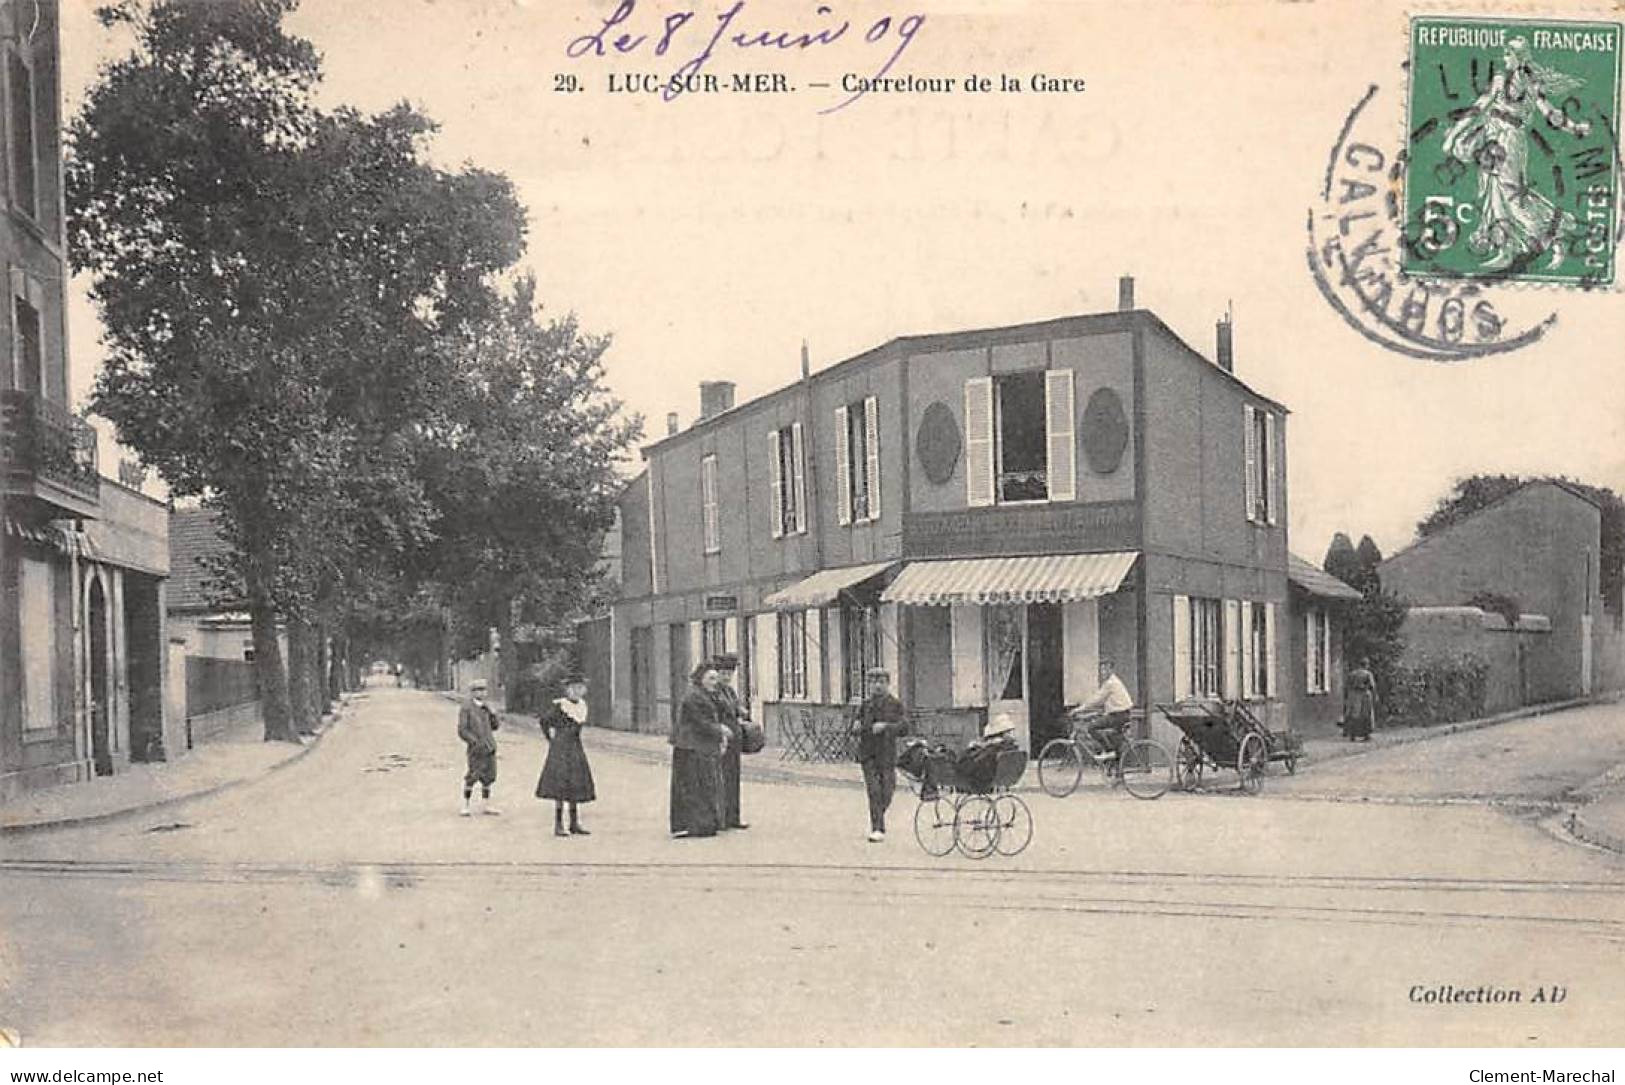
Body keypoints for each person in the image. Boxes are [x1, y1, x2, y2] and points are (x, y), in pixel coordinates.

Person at [1440, 37, 1591, 272]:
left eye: (1508, 53)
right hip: (1492, 136)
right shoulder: (1500, 79)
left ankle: (1553, 235)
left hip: (1511, 139)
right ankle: (1506, 246)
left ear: (1519, 56)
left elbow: (1549, 112)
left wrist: (1574, 128)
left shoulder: (1531, 82)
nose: (1504, 57)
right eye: (1505, 53)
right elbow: (1480, 106)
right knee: (1494, 191)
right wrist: (1455, 133)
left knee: (1512, 193)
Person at [670, 661, 729, 838]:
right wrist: (720, 730)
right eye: (711, 678)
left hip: (701, 746)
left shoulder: (705, 694)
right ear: (700, 678)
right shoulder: (694, 696)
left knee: (704, 784)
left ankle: (706, 823)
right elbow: (700, 721)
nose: (714, 682)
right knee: (695, 785)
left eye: (716, 679)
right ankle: (696, 824)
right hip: (691, 747)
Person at [536, 671, 597, 837]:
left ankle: (574, 822)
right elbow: (544, 721)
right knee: (560, 785)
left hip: (576, 747)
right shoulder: (560, 706)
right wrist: (551, 738)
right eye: (573, 688)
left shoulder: (582, 706)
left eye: (580, 688)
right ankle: (558, 824)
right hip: (561, 748)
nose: (577, 691)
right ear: (567, 690)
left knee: (576, 782)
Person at [851, 667, 908, 842]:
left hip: (887, 754)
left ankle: (878, 813)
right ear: (868, 685)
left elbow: (905, 727)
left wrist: (886, 727)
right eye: (873, 682)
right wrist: (856, 727)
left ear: (888, 684)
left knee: (888, 790)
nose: (877, 686)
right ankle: (877, 828)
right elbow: (855, 726)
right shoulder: (865, 705)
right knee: (874, 790)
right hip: (868, 753)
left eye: (881, 682)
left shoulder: (895, 704)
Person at [709, 654, 749, 830]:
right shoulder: (714, 691)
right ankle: (721, 818)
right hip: (722, 738)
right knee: (721, 777)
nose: (726, 677)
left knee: (733, 777)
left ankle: (734, 817)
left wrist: (741, 711)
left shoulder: (730, 691)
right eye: (723, 673)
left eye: (729, 674)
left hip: (735, 738)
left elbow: (735, 707)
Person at [457, 679, 500, 816]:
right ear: (472, 692)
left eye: (483, 690)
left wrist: (493, 714)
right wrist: (474, 742)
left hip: (489, 746)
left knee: (489, 776)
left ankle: (486, 805)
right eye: (478, 690)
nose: (481, 693)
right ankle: (465, 805)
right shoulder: (467, 708)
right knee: (473, 775)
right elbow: (462, 730)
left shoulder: (486, 708)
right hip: (476, 748)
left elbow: (495, 727)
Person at [1074, 659, 1134, 758]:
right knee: (1115, 740)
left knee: (1092, 728)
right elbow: (1106, 702)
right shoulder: (1113, 681)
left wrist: (1079, 709)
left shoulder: (1110, 683)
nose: (1103, 672)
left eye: (1106, 669)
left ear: (1111, 670)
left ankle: (1108, 751)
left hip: (1118, 715)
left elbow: (1097, 699)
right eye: (1102, 670)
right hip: (1122, 715)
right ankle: (1117, 769)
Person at [956, 712, 1020, 793]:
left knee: (964, 759)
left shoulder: (994, 747)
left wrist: (976, 748)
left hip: (983, 778)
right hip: (993, 773)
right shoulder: (1010, 746)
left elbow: (978, 761)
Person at [1344, 658, 1377, 743]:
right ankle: (1366, 735)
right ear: (1366, 665)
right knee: (1366, 714)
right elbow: (1372, 686)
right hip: (1365, 695)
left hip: (1353, 695)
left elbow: (1347, 685)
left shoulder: (1352, 674)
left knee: (1354, 714)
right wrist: (1375, 695)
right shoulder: (1368, 674)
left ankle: (1352, 734)